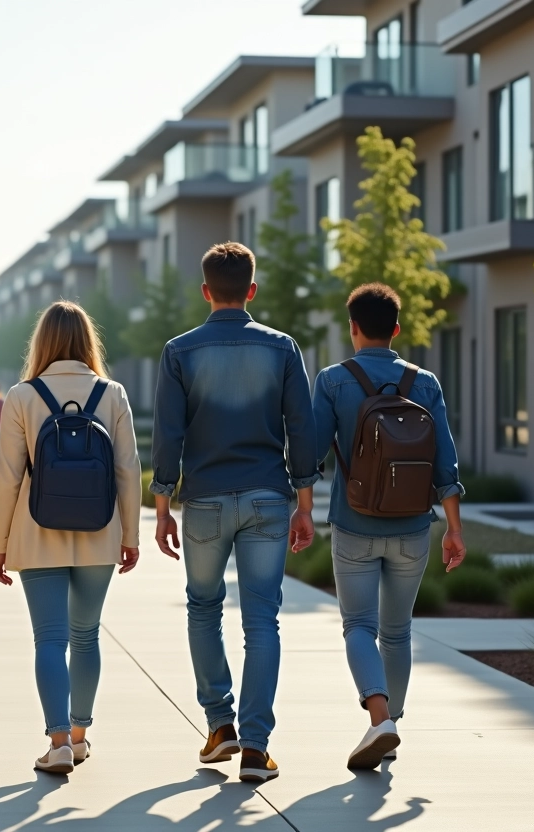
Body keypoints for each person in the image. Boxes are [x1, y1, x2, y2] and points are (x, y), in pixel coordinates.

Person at [151, 242, 318, 784]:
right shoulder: (282, 347)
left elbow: (169, 430)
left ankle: (220, 725)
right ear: (252, 289)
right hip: (269, 498)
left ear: (205, 292)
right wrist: (306, 504)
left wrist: (161, 502)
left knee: (203, 607)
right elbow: (301, 426)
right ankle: (256, 747)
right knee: (261, 619)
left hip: (203, 499)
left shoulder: (180, 351)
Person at [312, 283, 466, 770]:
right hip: (413, 528)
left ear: (352, 328)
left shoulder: (333, 381)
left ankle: (381, 720)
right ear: (397, 330)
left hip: (354, 525)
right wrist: (455, 530)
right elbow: (446, 465)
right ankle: (391, 722)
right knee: (397, 633)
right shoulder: (426, 383)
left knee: (359, 625)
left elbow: (310, 455)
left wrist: (299, 506)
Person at [0, 301, 142, 774]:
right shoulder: (112, 393)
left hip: (37, 531)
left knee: (49, 639)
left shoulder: (22, 396)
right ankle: (79, 735)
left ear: (43, 343)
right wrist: (131, 535)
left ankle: (55, 742)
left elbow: (9, 476)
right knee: (87, 635)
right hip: (99, 531)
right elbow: (127, 470)